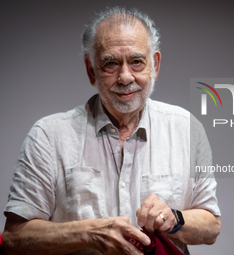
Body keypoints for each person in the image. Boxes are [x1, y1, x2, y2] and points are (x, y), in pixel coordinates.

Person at [2, 7, 221, 255]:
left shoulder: (186, 128)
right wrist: (88, 233)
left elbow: (211, 226)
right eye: (111, 63)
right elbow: (14, 236)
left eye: (137, 62)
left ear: (155, 65)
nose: (125, 76)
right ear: (91, 70)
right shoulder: (48, 136)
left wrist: (175, 218)